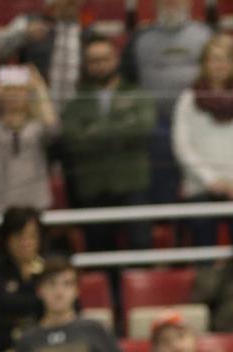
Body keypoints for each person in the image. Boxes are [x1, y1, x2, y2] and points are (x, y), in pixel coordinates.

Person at [61, 34, 157, 254]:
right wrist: (122, 127)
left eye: (105, 58)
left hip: (132, 184)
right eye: (94, 60)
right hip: (93, 186)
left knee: (141, 246)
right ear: (86, 65)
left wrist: (94, 131)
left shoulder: (137, 93)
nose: (100, 65)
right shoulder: (76, 102)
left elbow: (143, 130)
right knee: (99, 253)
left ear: (116, 59)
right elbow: (73, 140)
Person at [172, 34, 233, 247]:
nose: (220, 65)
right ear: (204, 64)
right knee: (203, 242)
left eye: (226, 59)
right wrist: (210, 179)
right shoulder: (187, 100)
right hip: (199, 188)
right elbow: (182, 146)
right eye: (214, 59)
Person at [128, 0, 214, 206]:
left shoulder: (205, 35)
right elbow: (128, 79)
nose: (171, 3)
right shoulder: (141, 38)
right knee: (162, 186)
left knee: (198, 187)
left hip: (198, 121)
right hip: (157, 123)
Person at [0, 65, 59, 215]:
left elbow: (53, 129)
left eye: (20, 90)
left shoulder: (36, 128)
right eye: (8, 90)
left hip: (35, 203)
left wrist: (39, 88)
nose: (14, 95)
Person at [0, 0, 95, 104]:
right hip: (35, 103)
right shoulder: (28, 21)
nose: (71, 6)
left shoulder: (86, 27)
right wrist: (24, 34)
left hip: (76, 103)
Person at [0, 208, 48, 352]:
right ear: (6, 238)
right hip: (6, 348)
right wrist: (40, 300)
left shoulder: (50, 270)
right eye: (19, 236)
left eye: (32, 236)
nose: (26, 242)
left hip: (47, 346)